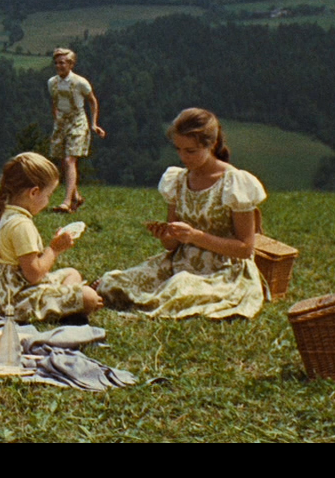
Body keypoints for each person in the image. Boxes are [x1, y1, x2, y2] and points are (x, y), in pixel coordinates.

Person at [94, 108, 267, 320]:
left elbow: (245, 249)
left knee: (178, 288)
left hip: (223, 271)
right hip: (180, 262)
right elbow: (172, 245)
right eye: (178, 149)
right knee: (114, 282)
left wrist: (195, 236)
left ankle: (140, 306)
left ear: (211, 145)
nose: (183, 157)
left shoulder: (235, 183)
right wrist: (166, 236)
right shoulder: (177, 180)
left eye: (191, 151)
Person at [0, 152, 103, 324]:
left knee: (72, 274)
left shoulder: (8, 214)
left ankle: (65, 303)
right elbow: (34, 275)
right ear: (34, 192)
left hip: (8, 295)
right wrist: (54, 249)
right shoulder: (21, 225)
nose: (48, 201)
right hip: (15, 303)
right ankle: (70, 306)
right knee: (89, 297)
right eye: (48, 195)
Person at [46, 48, 105, 214]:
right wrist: (56, 118)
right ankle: (76, 196)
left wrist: (93, 124)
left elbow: (92, 101)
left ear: (71, 64)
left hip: (77, 121)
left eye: (62, 63)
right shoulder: (52, 82)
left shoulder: (80, 82)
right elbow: (55, 102)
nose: (59, 66)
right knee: (62, 159)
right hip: (61, 121)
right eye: (56, 63)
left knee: (69, 159)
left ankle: (66, 202)